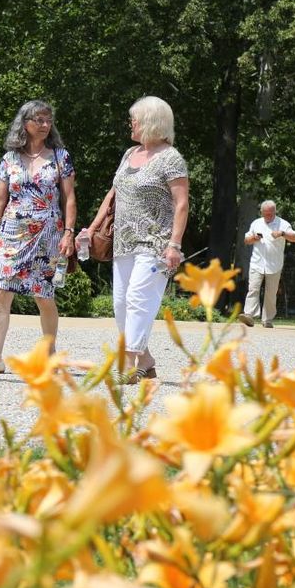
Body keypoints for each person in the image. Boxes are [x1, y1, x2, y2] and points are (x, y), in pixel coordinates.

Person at [85, 96, 188, 382]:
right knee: (120, 303)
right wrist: (91, 230)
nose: (131, 123)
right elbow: (112, 195)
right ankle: (146, 359)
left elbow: (181, 204)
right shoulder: (129, 153)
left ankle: (128, 363)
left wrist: (175, 244)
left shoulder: (171, 158)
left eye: (136, 118)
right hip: (123, 242)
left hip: (156, 244)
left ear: (152, 121)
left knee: (138, 299)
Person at [0, 101, 77, 373]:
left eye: (48, 120)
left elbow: (69, 199)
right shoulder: (10, 159)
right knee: (2, 292)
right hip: (11, 233)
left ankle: (49, 352)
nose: (45, 125)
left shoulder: (60, 157)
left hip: (48, 234)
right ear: (25, 123)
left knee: (44, 294)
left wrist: (69, 232)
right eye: (39, 120)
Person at [238, 199, 295, 328]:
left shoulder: (283, 223)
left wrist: (282, 234)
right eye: (265, 214)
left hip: (274, 264)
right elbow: (246, 240)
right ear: (261, 212)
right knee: (253, 288)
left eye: (270, 214)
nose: (268, 217)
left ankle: (267, 319)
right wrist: (254, 238)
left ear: (275, 212)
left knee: (271, 293)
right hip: (257, 262)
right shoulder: (256, 223)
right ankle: (249, 315)